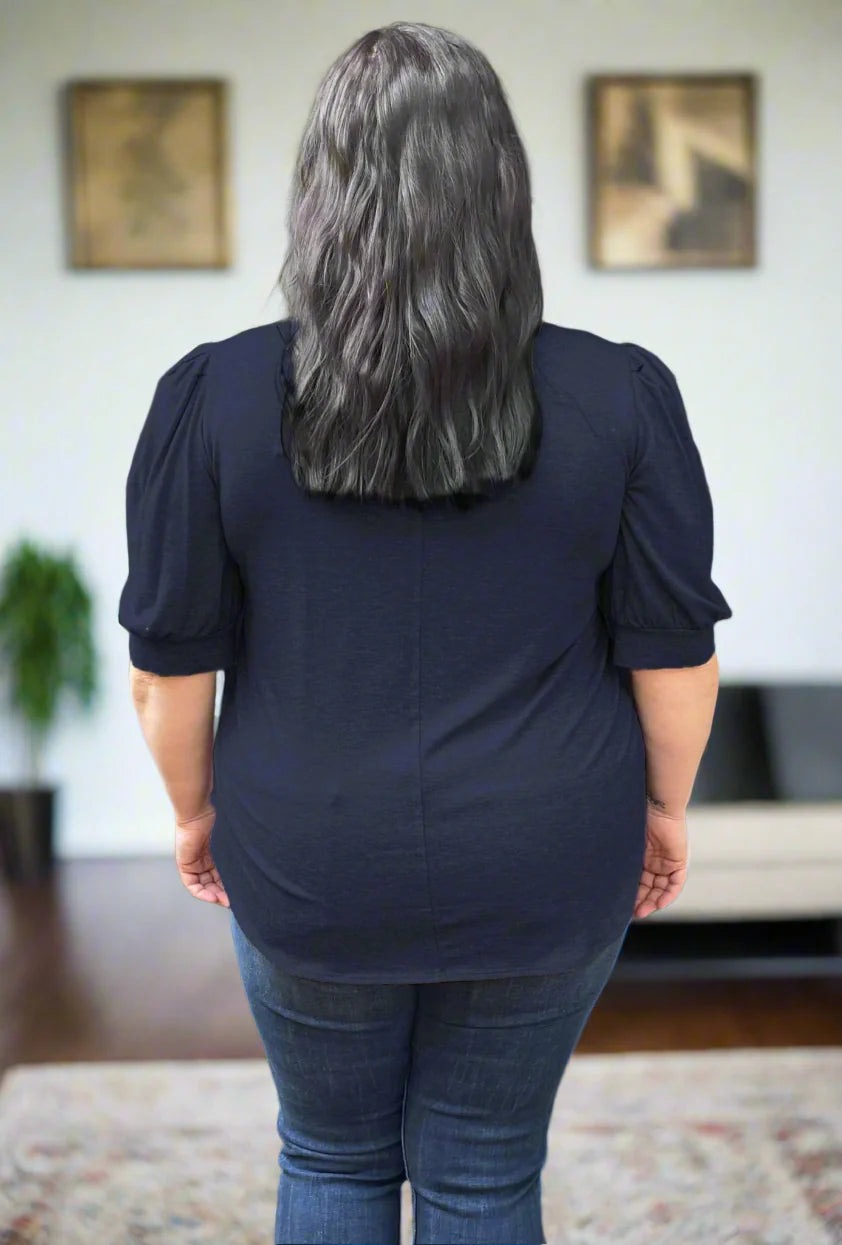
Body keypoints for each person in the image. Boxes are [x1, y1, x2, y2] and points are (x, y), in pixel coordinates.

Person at [118, 20, 731, 1245]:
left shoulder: (214, 395)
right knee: (485, 1169)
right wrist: (661, 814)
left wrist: (194, 813)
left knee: (332, 1156)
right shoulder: (618, 392)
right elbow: (672, 658)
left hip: (305, 852)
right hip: (553, 847)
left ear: (319, 194)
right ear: (503, 193)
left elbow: (167, 672)